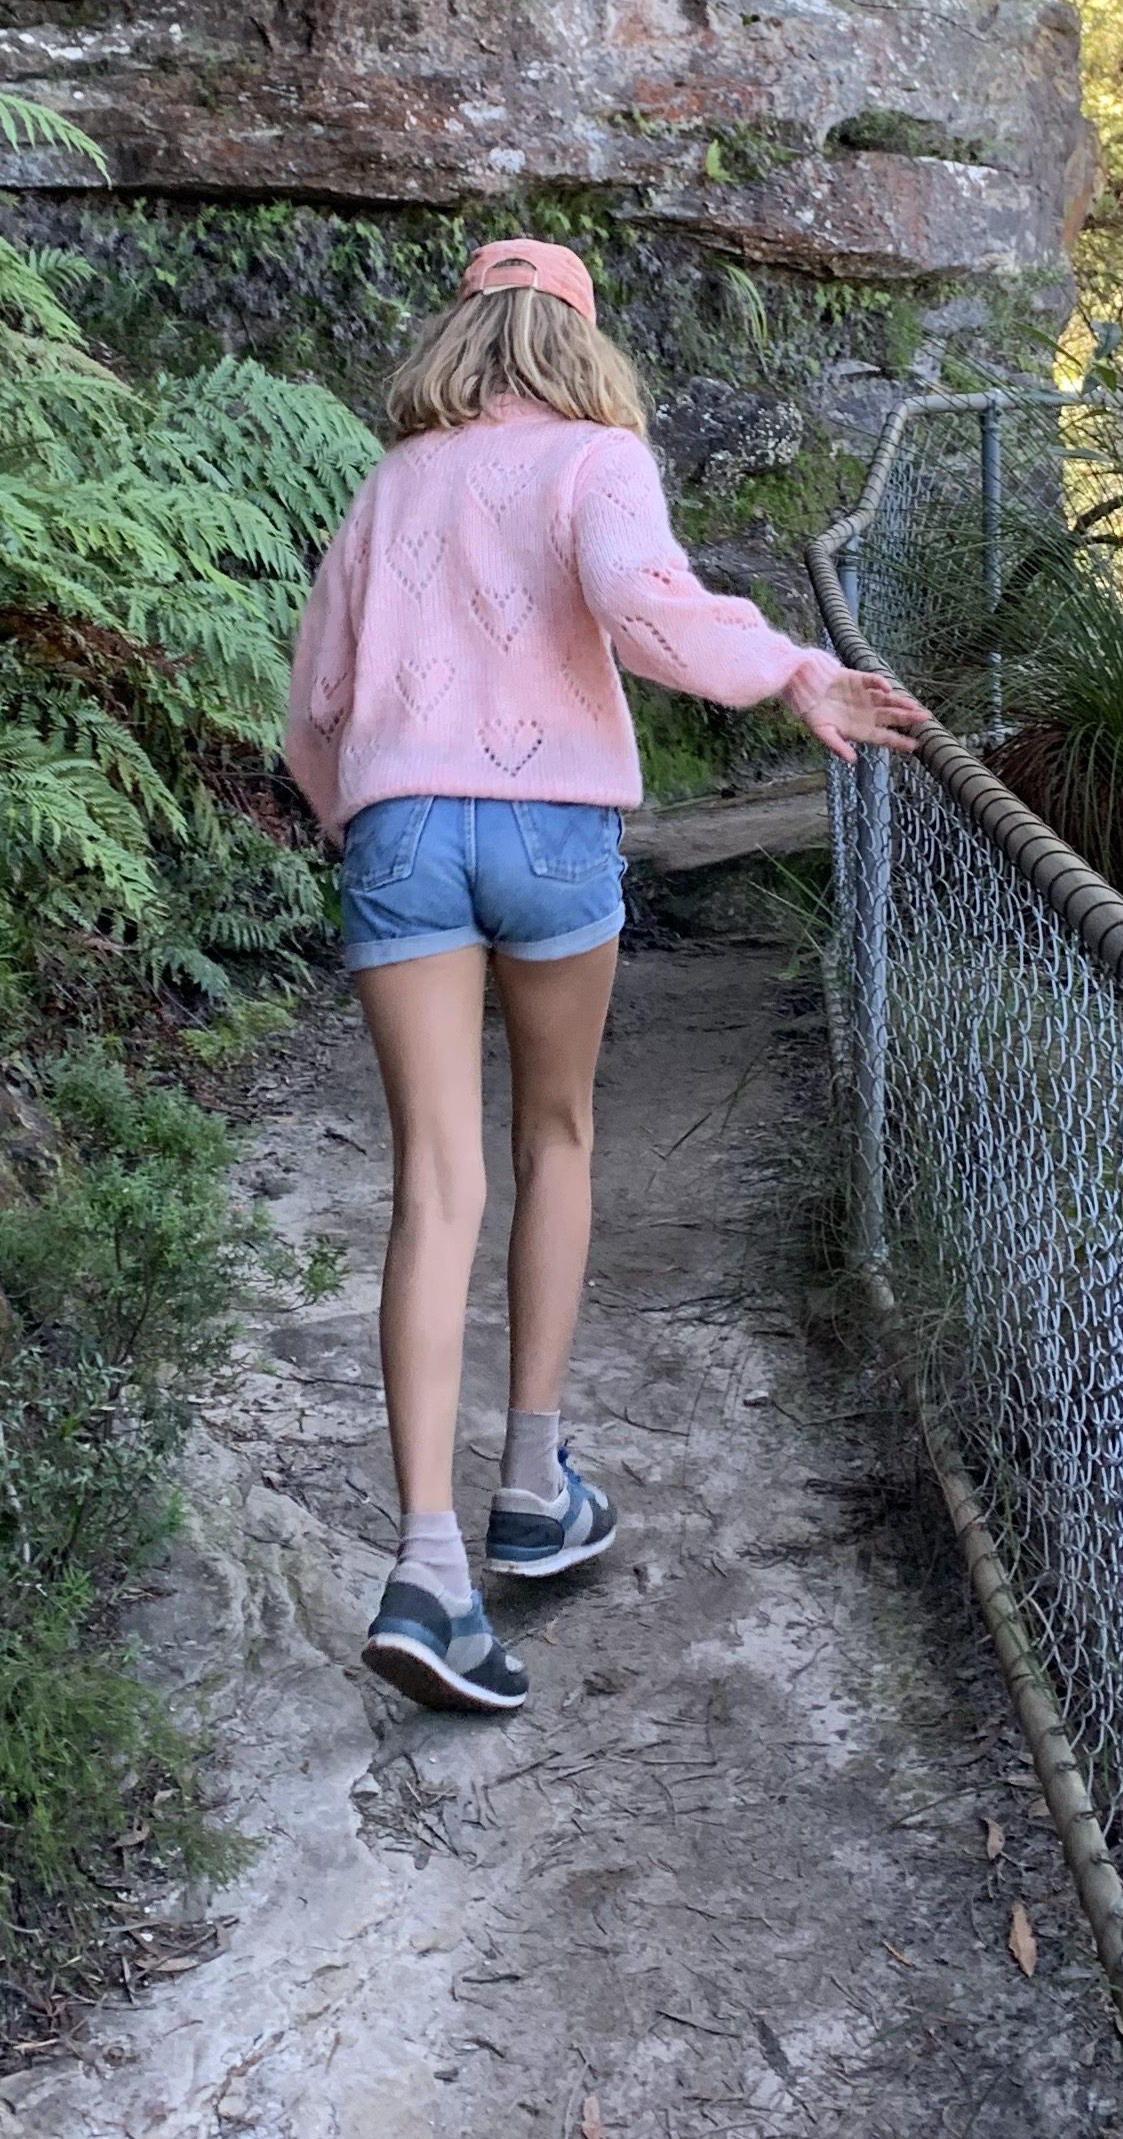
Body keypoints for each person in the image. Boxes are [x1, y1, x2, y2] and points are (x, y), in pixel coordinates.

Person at [283, 238, 926, 1714]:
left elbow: (315, 709)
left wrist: (368, 820)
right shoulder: (598, 459)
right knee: (557, 1137)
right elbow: (644, 609)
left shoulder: (389, 487)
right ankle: (532, 1481)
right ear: (577, 340)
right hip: (553, 831)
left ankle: (429, 1573)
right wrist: (793, 672)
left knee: (434, 1180)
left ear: (460, 336)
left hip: (399, 829)